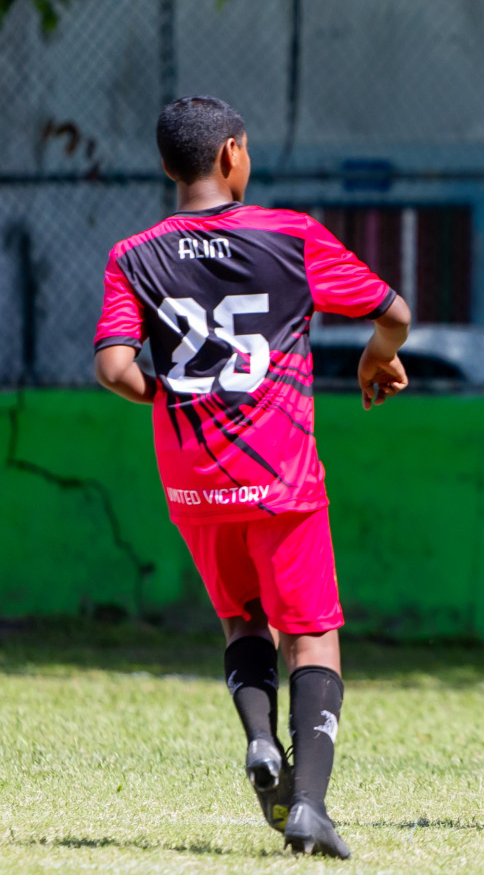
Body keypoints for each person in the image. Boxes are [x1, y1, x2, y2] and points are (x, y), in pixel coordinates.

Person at [93, 96, 412, 858]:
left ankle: (262, 740)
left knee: (242, 619)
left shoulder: (133, 253)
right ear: (232, 154)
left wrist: (171, 400)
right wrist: (376, 355)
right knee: (312, 634)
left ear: (171, 165)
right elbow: (393, 311)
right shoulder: (288, 235)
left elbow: (113, 367)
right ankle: (307, 806)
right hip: (281, 476)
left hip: (193, 482)